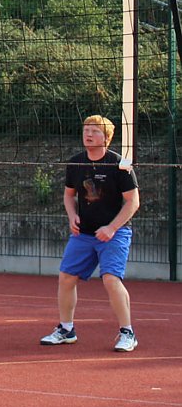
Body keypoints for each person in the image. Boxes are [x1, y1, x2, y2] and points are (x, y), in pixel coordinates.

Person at [40, 115, 140, 352]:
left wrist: (111, 228)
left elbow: (133, 202)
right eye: (86, 130)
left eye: (95, 131)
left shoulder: (120, 164)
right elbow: (68, 195)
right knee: (66, 277)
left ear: (106, 137)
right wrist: (71, 215)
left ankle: (127, 333)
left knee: (111, 279)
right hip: (84, 233)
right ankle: (66, 329)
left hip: (115, 233)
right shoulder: (76, 163)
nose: (88, 134)